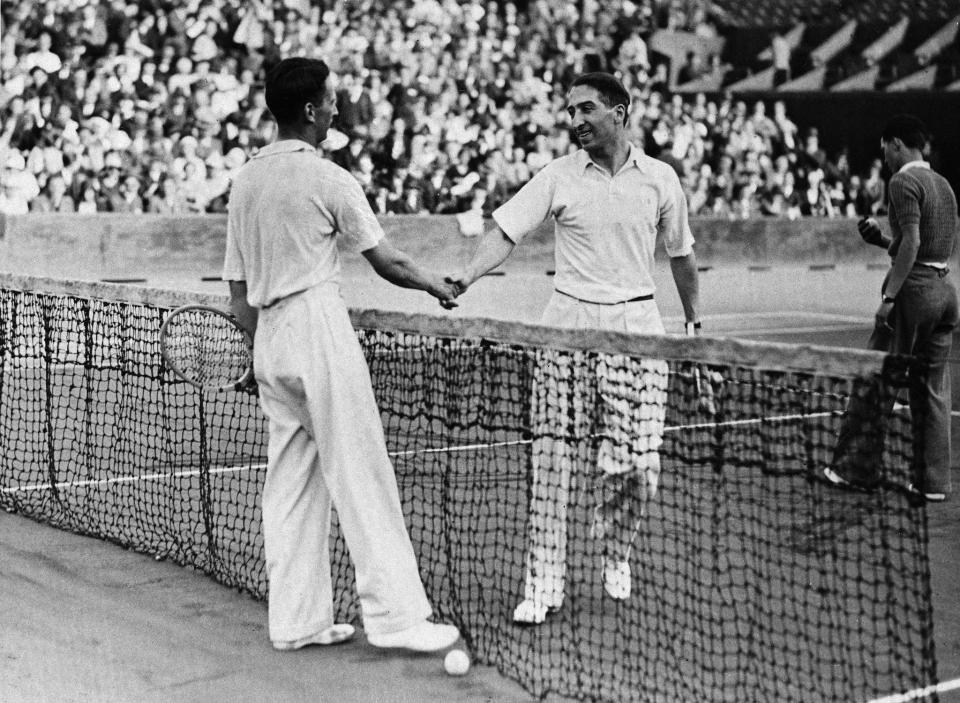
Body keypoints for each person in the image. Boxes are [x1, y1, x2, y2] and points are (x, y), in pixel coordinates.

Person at [222, 57, 462, 652]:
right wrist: (438, 284)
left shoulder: (245, 178)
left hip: (271, 339)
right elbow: (389, 263)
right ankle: (398, 619)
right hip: (316, 328)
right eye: (330, 100)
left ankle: (297, 622)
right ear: (310, 110)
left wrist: (258, 355)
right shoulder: (329, 178)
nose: (336, 108)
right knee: (362, 473)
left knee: (291, 484)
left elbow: (235, 287)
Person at [447, 72, 703, 624]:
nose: (575, 121)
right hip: (566, 322)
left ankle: (616, 550)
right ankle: (542, 586)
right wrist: (466, 277)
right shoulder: (558, 175)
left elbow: (681, 255)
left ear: (620, 111)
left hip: (639, 324)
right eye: (570, 112)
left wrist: (693, 323)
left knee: (639, 465)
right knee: (552, 460)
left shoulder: (661, 179)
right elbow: (504, 231)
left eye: (586, 109)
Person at [824, 114, 958, 502]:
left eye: (885, 147)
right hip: (944, 293)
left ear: (897, 143)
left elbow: (914, 244)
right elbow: (931, 247)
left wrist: (889, 299)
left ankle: (854, 471)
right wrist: (883, 240)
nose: (883, 156)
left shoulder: (903, 181)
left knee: (874, 382)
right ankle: (933, 483)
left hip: (912, 294)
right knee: (932, 391)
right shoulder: (944, 184)